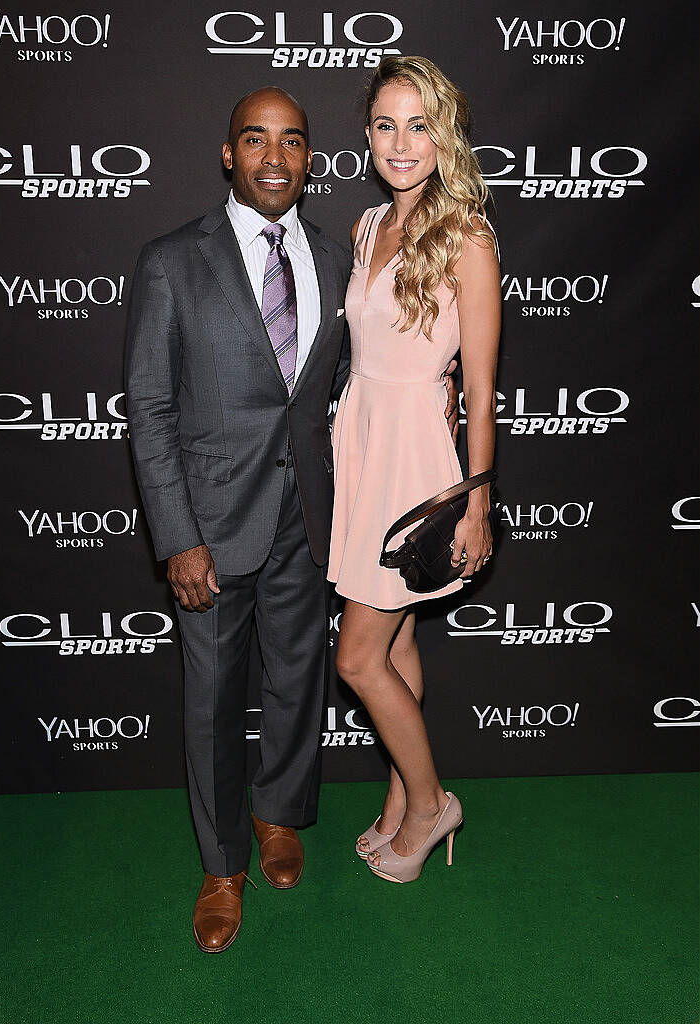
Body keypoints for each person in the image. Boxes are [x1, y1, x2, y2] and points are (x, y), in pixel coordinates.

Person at [124, 86, 459, 951]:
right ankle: (222, 865)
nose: (274, 157)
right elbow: (150, 409)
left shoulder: (332, 250)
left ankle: (279, 813)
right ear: (228, 154)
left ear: (312, 158)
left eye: (292, 142)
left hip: (315, 515)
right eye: (255, 140)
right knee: (211, 700)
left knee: (296, 681)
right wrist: (177, 536)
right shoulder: (171, 261)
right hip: (211, 524)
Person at [328, 56, 501, 884]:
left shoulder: (466, 234)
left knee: (356, 658)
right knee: (393, 644)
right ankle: (401, 802)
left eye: (418, 124)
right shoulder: (366, 227)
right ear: (366, 137)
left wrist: (474, 503)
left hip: (416, 463)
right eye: (385, 124)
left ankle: (432, 806)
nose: (401, 142)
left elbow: (477, 385)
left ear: (443, 135)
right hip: (361, 442)